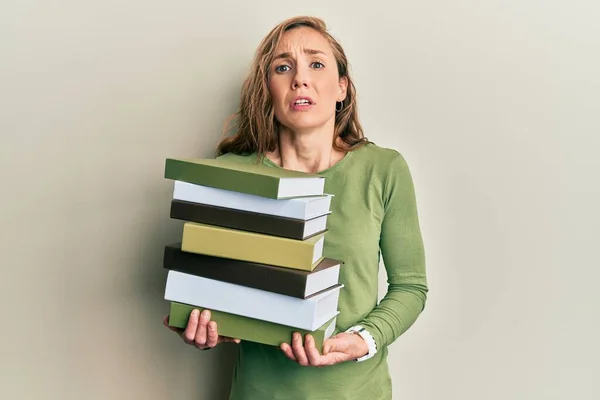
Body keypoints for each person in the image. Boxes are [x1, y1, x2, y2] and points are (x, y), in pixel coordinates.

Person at [163, 15, 428, 400]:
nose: (299, 78)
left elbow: (411, 287)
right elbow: (205, 292)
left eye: (316, 64)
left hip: (358, 392)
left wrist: (361, 340)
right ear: (268, 89)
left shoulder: (383, 169)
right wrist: (201, 326)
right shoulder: (230, 176)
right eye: (282, 67)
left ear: (342, 88)